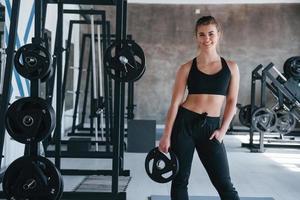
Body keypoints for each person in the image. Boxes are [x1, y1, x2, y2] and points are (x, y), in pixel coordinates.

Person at [158, 16, 240, 200]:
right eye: (201, 34)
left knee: (224, 183)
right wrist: (166, 135)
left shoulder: (232, 67)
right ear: (196, 37)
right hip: (184, 125)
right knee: (180, 180)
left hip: (211, 128)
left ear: (218, 34)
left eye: (211, 34)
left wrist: (223, 130)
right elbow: (174, 104)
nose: (206, 39)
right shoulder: (186, 68)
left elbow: (232, 101)